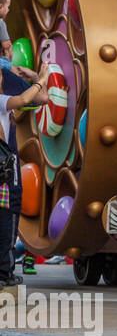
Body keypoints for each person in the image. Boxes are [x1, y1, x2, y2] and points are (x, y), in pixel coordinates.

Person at [0, 66, 49, 287]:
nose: (3, 77)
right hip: (4, 171)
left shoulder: (3, 101)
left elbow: (40, 99)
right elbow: (21, 100)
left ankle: (4, 273)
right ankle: (3, 273)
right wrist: (42, 79)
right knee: (6, 216)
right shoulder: (3, 101)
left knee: (7, 216)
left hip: (4, 172)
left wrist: (38, 79)